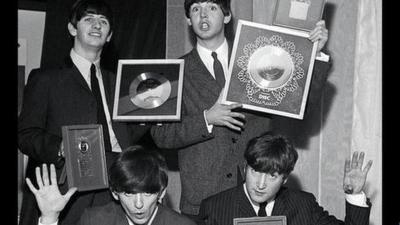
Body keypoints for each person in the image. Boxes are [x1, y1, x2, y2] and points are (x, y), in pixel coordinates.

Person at [150, 0, 331, 221]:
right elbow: (161, 135)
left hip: (255, 194)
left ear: (227, 16)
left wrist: (316, 55)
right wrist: (207, 118)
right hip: (201, 198)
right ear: (188, 19)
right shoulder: (173, 71)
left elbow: (300, 106)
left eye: (212, 7)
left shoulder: (258, 56)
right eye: (196, 9)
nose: (203, 15)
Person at [18, 0, 149, 224]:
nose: (97, 25)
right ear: (72, 28)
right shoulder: (46, 79)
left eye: (103, 21)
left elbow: (124, 135)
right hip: (68, 191)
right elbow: (25, 135)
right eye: (89, 19)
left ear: (109, 36)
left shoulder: (121, 83)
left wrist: (150, 117)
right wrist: (61, 147)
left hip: (120, 185)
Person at [198, 132, 373, 225]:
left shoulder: (303, 205)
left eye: (272, 176)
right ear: (245, 168)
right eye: (255, 172)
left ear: (285, 179)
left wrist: (354, 194)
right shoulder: (214, 208)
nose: (260, 185)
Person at [27, 146, 196, 225]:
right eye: (129, 194)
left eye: (147, 193)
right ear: (115, 193)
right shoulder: (95, 220)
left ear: (162, 192)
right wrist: (50, 218)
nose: (139, 204)